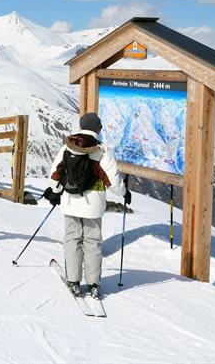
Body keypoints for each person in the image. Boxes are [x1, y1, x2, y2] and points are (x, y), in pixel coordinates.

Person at [42, 112, 130, 299]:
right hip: (93, 205)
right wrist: (125, 193)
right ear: (98, 128)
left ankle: (73, 281)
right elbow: (112, 181)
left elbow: (56, 173)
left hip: (70, 201)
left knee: (72, 238)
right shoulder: (101, 150)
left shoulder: (68, 146)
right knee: (92, 242)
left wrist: (56, 192)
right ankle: (93, 284)